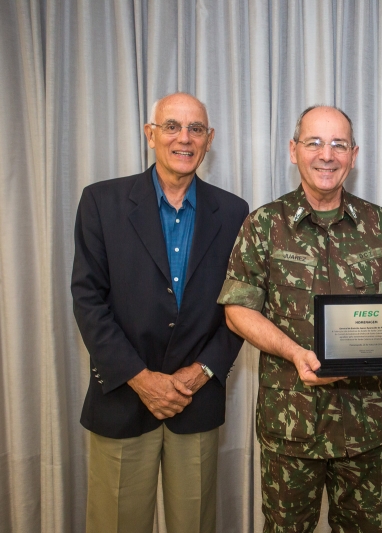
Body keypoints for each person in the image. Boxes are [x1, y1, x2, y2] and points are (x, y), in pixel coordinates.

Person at [217, 105, 382, 533]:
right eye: (314, 142)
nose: (326, 155)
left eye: (338, 144)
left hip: (364, 427)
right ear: (293, 150)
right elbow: (237, 310)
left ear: (354, 154)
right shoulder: (264, 225)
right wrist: (294, 352)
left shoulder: (380, 226)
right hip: (291, 427)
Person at [72, 92, 249, 533]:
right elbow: (88, 299)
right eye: (172, 126)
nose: (183, 138)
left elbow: (242, 306)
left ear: (209, 140)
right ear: (150, 134)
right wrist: (140, 377)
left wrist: (202, 371)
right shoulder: (101, 201)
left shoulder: (233, 212)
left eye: (195, 129)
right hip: (122, 396)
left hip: (196, 398)